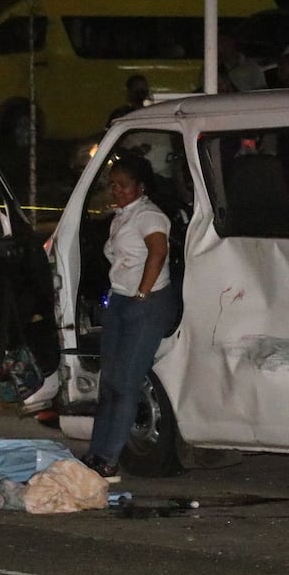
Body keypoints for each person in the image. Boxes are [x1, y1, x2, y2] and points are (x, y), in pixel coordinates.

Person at [83, 156, 177, 482]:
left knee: (125, 384)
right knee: (109, 383)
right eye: (113, 185)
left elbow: (159, 250)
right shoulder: (123, 217)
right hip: (121, 300)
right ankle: (96, 453)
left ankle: (108, 461)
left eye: (123, 185)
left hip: (145, 303)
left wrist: (143, 291)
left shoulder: (149, 215)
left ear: (140, 187)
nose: (117, 190)